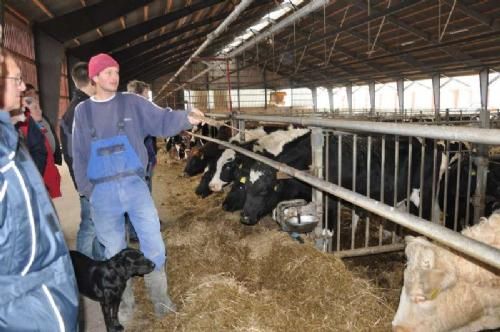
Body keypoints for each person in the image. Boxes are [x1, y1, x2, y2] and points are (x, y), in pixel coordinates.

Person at [72, 53, 203, 321]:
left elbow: (163, 119)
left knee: (154, 242)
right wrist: (88, 190)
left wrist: (187, 118)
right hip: (102, 192)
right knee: (113, 250)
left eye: (116, 71)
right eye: (107, 72)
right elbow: (78, 153)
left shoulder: (132, 103)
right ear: (94, 77)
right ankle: (124, 304)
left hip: (134, 185)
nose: (114, 76)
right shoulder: (82, 112)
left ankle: (160, 301)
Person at [0, 51, 79, 331]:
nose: (23, 87)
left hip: (38, 296)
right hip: (24, 304)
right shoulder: (4, 156)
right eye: (17, 79)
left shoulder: (10, 139)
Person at [60, 62, 104, 260]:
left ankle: (97, 262)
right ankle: (84, 269)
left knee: (95, 224)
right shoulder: (82, 111)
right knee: (89, 226)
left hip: (86, 178)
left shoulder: (74, 108)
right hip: (90, 180)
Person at [18, 87, 62, 198]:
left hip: (48, 178)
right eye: (35, 108)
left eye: (38, 107)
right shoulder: (24, 128)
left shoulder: (40, 123)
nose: (40, 111)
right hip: (40, 182)